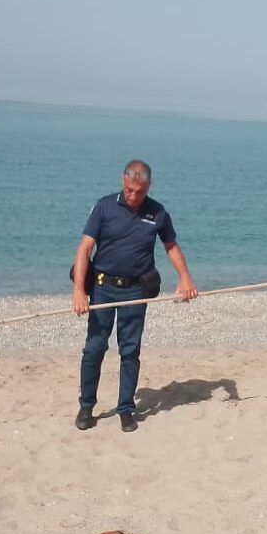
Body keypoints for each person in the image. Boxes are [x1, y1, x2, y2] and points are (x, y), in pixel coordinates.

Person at [70, 160, 199, 432]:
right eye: (129, 189)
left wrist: (185, 277)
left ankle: (126, 408)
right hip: (102, 288)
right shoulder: (104, 207)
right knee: (94, 348)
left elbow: (171, 246)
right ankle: (86, 406)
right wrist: (79, 291)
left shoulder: (158, 212)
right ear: (123, 181)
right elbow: (84, 249)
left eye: (139, 192)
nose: (133, 196)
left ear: (148, 187)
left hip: (136, 290)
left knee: (129, 350)